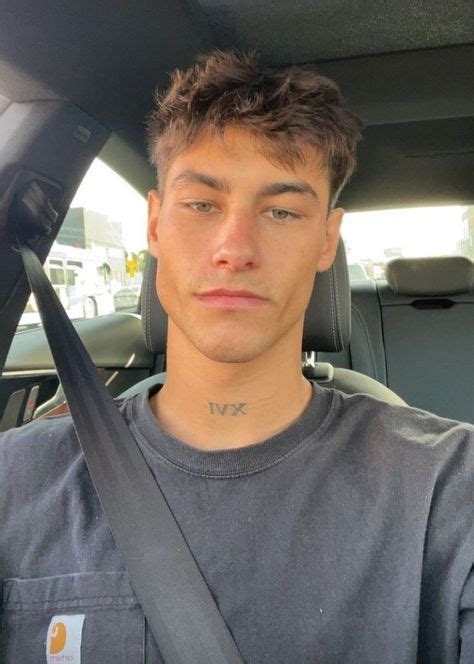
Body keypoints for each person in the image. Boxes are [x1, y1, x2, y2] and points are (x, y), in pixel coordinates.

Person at [1, 50, 473, 663]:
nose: (235, 247)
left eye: (281, 211)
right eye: (202, 204)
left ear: (326, 240)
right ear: (155, 225)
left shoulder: (449, 485)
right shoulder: (16, 478)